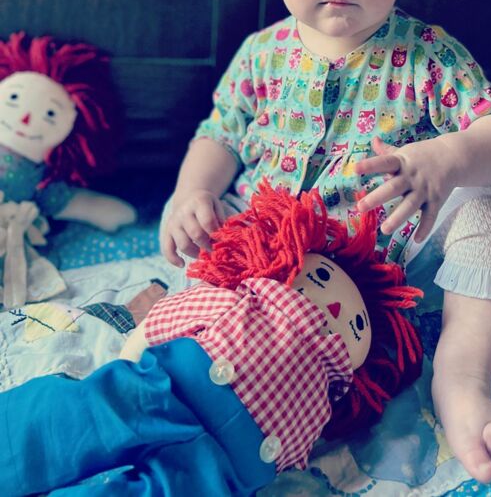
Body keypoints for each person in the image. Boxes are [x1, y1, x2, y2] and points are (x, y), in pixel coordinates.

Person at [160, 0, 491, 484]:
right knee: (198, 244)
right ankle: (220, 369)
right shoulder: (261, 55)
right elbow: (219, 133)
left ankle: (461, 380)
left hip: (391, 255)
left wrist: (449, 157)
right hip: (271, 254)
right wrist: (192, 192)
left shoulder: (427, 55)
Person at [0, 183, 423, 496]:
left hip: (222, 471)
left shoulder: (335, 385)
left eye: (357, 326)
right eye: (322, 277)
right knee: (80, 416)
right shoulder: (252, 299)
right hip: (163, 391)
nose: (334, 309)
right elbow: (172, 316)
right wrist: (134, 352)